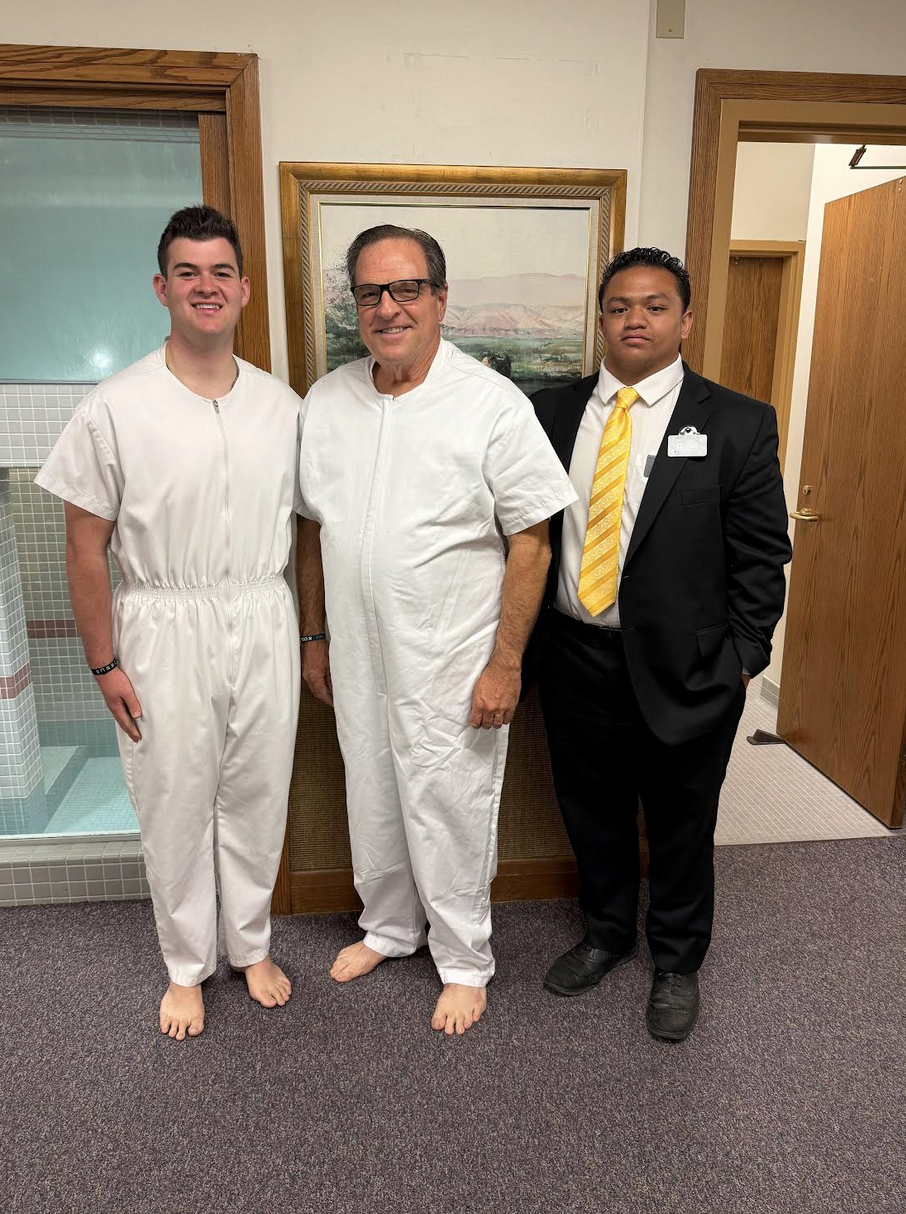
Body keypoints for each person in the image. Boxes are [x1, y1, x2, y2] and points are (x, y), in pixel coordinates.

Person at [297, 224, 576, 1035]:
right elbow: (311, 527)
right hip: (357, 650)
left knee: (447, 801)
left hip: (452, 654)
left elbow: (532, 539)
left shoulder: (492, 403)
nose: (388, 308)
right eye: (370, 293)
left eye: (406, 289)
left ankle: (463, 959)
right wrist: (314, 637)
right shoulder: (328, 400)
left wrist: (506, 664)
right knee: (371, 789)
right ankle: (389, 926)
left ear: (440, 298)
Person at [35, 205, 303, 1041]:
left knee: (258, 790)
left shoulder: (281, 406)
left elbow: (312, 530)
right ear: (162, 288)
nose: (205, 286)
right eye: (188, 272)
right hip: (161, 621)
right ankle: (187, 966)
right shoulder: (115, 406)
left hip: (262, 610)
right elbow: (84, 548)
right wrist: (103, 662)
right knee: (174, 797)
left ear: (244, 289)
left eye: (220, 272)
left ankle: (250, 945)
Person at [531, 247, 792, 1041]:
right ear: (601, 320)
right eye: (619, 307)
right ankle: (607, 934)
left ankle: (677, 962)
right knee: (591, 810)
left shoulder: (737, 421)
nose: (634, 320)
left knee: (682, 821)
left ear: (686, 320)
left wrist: (743, 659)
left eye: (654, 306)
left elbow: (762, 556)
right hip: (574, 655)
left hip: (691, 669)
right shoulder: (550, 413)